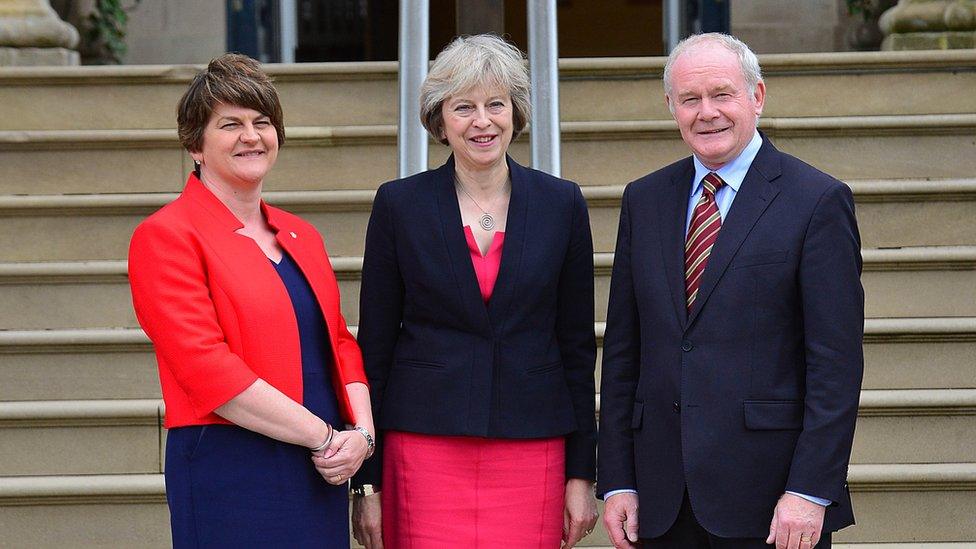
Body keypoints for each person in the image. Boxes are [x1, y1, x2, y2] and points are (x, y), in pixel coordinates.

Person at [598, 33, 864, 549]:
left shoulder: (817, 201)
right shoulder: (644, 200)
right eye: (690, 99)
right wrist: (619, 479)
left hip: (771, 504)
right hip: (661, 499)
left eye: (722, 94)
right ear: (671, 106)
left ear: (757, 96)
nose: (707, 113)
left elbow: (835, 364)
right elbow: (624, 353)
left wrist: (810, 489)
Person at [350, 34, 599, 548]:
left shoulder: (562, 204)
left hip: (533, 446)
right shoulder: (400, 206)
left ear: (516, 113)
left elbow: (577, 348)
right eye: (463, 107)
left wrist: (583, 473)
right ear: (440, 121)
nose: (482, 121)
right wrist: (366, 482)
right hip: (422, 447)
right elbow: (373, 349)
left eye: (495, 105)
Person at [128, 53, 375, 548]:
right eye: (230, 124)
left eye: (262, 122)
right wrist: (325, 438)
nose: (251, 136)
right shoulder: (166, 236)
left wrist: (362, 439)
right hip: (230, 465)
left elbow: (339, 344)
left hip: (318, 471)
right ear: (195, 145)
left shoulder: (302, 234)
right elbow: (205, 367)